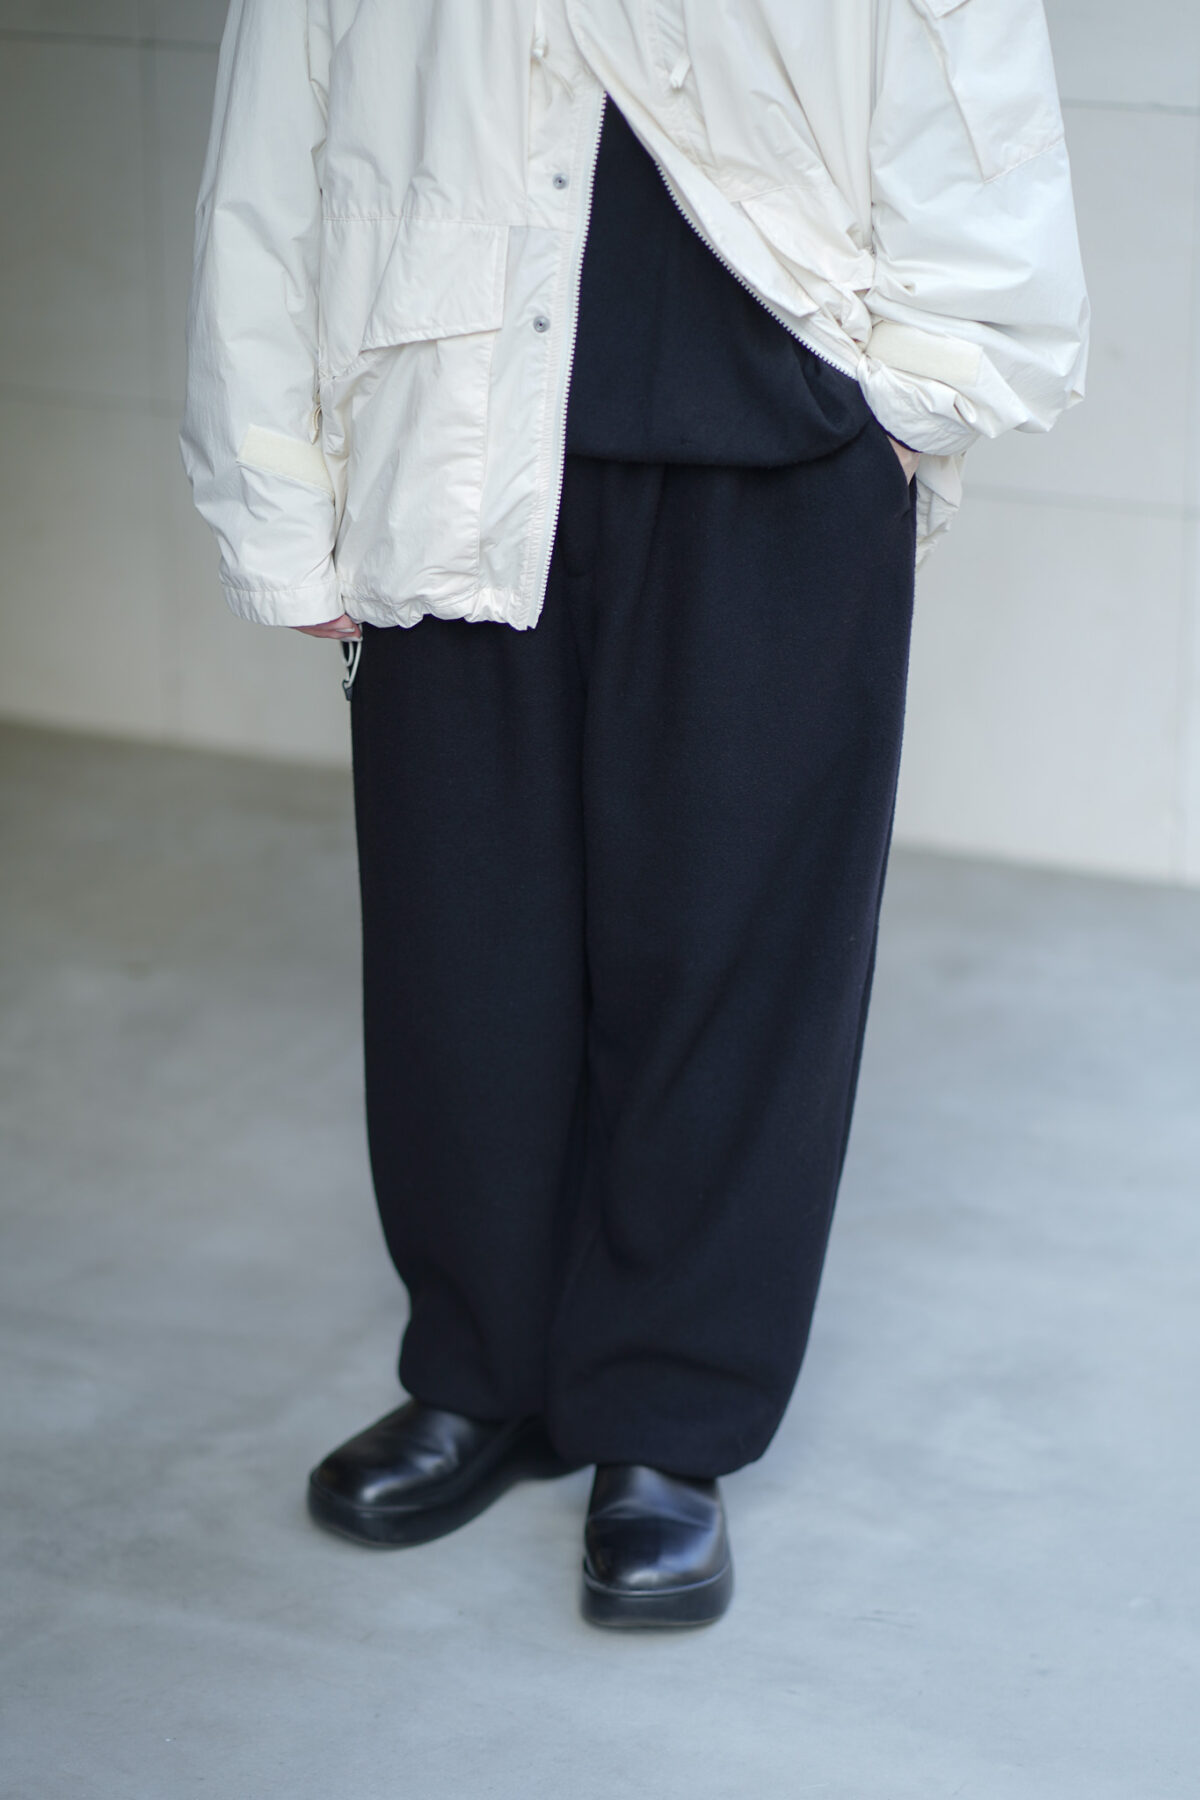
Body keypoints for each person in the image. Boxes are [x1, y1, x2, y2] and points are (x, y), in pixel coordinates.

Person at [180, 0, 1088, 1630]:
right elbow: (271, 149)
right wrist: (278, 490)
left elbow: (973, 74)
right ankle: (482, 1373)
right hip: (443, 439)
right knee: (464, 954)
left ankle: (669, 1418)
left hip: (780, 453)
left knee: (738, 967)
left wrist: (916, 403)